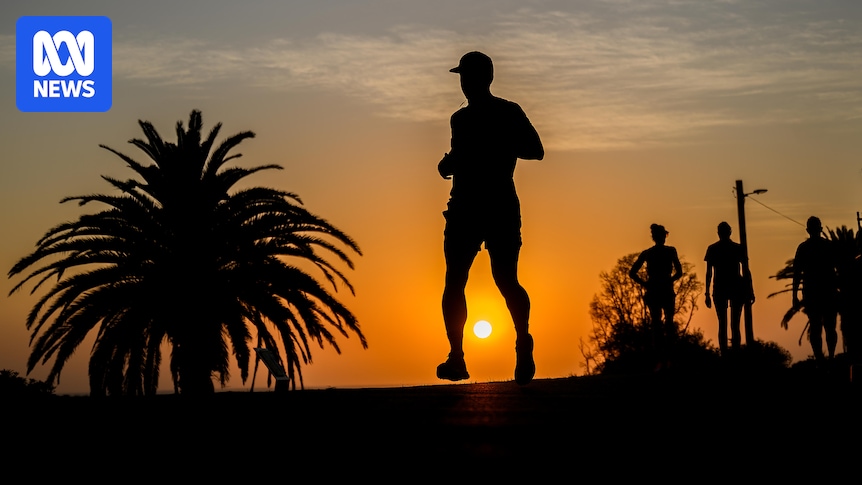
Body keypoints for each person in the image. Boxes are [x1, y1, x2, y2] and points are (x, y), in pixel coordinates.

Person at [436, 51, 544, 384]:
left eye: (469, 77)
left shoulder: (508, 112)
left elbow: (535, 150)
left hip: (497, 205)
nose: (465, 84)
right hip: (464, 205)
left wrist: (497, 144)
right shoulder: (460, 119)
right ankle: (457, 357)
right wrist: (448, 164)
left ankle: (522, 340)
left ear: (486, 78)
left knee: (505, 279)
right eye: (462, 78)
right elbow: (457, 158)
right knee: (455, 279)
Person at [629, 224, 683, 367]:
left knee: (657, 325)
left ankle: (661, 360)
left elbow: (632, 273)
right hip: (664, 290)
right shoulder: (670, 251)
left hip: (654, 290)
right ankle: (667, 359)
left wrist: (646, 284)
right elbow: (679, 272)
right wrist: (668, 281)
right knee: (667, 324)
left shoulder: (648, 253)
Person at [792, 216, 838, 362]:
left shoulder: (804, 248)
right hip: (825, 292)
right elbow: (797, 273)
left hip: (815, 293)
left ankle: (822, 359)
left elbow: (796, 274)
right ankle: (827, 357)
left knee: (818, 327)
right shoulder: (828, 246)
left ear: (808, 230)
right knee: (828, 327)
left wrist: (794, 296)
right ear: (821, 229)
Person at [704, 222, 754, 354]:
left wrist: (707, 293)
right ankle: (730, 353)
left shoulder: (714, 249)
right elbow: (746, 271)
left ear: (719, 233)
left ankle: (727, 353)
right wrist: (707, 293)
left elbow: (709, 273)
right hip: (729, 288)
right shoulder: (735, 248)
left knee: (725, 324)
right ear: (729, 232)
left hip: (727, 288)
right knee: (732, 325)